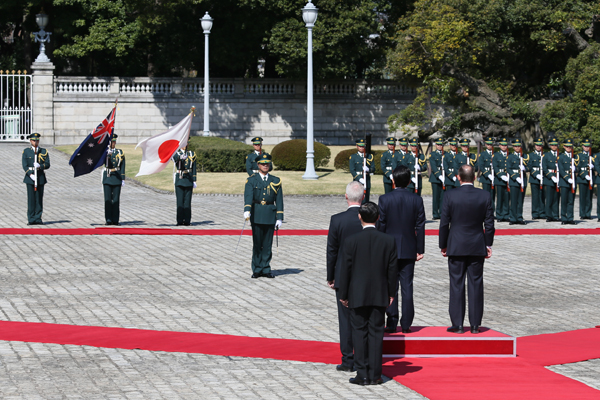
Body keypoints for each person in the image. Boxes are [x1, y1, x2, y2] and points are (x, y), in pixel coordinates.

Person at [338, 202, 397, 386]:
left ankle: (362, 374)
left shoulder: (351, 241)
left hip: (357, 294)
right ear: (378, 218)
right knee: (376, 334)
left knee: (359, 333)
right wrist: (391, 292)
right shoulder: (389, 240)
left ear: (359, 217)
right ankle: (376, 374)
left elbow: (345, 270)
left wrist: (344, 294)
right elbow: (392, 270)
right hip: (380, 294)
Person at [439, 165, 495, 334]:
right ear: (475, 178)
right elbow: (490, 224)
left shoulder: (450, 195)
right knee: (476, 284)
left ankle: (458, 324)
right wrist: (488, 244)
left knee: (456, 284)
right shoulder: (484, 195)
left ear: (458, 177)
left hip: (456, 245)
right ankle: (475, 324)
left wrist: (443, 244)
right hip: (477, 245)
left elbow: (443, 223)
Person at [377, 165, 425, 334]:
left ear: (393, 181)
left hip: (389, 248)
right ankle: (406, 323)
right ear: (409, 181)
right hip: (409, 247)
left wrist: (379, 246)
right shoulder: (416, 199)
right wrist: (420, 249)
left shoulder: (384, 199)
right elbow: (420, 226)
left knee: (390, 286)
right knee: (407, 286)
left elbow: (381, 225)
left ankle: (391, 321)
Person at [326, 181, 364, 373]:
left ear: (346, 197)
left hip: (344, 276)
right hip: (365, 276)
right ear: (363, 197)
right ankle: (362, 358)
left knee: (345, 319)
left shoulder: (337, 220)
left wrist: (331, 276)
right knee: (363, 318)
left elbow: (332, 251)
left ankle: (348, 359)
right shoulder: (370, 219)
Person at [243, 154, 283, 278]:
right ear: (258, 165)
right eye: (263, 164)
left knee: (267, 244)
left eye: (267, 164)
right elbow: (248, 195)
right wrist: (247, 210)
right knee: (257, 243)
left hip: (270, 214)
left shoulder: (275, 180)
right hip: (257, 214)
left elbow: (279, 200)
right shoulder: (252, 180)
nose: (265, 165)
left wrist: (280, 216)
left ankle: (266, 268)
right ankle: (256, 268)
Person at [22, 132, 50, 225]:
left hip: (40, 177)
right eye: (34, 140)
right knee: (31, 199)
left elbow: (47, 164)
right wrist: (30, 175)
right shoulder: (26, 151)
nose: (35, 142)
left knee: (39, 199)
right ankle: (31, 218)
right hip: (30, 178)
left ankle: (38, 218)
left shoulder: (43, 151)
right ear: (30, 141)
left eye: (37, 140)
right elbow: (24, 165)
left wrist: (40, 166)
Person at [102, 134, 126, 226]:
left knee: (116, 200)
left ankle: (115, 219)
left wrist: (123, 178)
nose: (113, 144)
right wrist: (107, 154)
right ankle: (108, 219)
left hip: (117, 177)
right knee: (107, 199)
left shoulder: (120, 152)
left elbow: (123, 165)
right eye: (112, 142)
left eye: (114, 142)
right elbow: (104, 163)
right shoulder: (104, 153)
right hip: (107, 177)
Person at [172, 144, 197, 226]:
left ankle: (187, 221)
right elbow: (175, 158)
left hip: (188, 179)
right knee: (180, 202)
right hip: (180, 179)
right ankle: (179, 220)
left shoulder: (191, 154)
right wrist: (181, 157)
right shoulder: (177, 153)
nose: (185, 146)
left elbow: (194, 167)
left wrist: (194, 180)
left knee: (187, 202)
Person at [507, 138, 527, 225]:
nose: (517, 148)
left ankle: (519, 217)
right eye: (515, 146)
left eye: (519, 146)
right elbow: (508, 168)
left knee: (520, 200)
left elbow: (530, 165)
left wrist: (525, 168)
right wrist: (515, 177)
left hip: (522, 180)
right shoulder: (510, 157)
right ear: (513, 147)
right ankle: (513, 218)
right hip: (514, 181)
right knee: (514, 200)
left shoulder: (525, 156)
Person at [526, 138, 546, 220]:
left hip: (543, 177)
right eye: (537, 145)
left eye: (540, 145)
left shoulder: (544, 155)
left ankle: (542, 213)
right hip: (534, 178)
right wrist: (536, 174)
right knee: (535, 196)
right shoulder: (531, 155)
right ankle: (535, 213)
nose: (538, 147)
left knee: (542, 196)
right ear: (535, 146)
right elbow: (529, 166)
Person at [557, 139, 577, 225]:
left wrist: (575, 169)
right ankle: (564, 218)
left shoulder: (575, 157)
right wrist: (567, 178)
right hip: (564, 182)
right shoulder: (560, 157)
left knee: (571, 201)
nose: (569, 148)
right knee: (564, 201)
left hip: (573, 181)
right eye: (567, 146)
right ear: (564, 147)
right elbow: (561, 169)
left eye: (570, 146)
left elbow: (579, 166)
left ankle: (570, 217)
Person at [348, 138, 374, 203]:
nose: (361, 148)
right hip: (357, 180)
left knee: (366, 200)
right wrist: (359, 178)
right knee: (357, 199)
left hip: (366, 179)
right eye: (360, 146)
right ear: (357, 146)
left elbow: (373, 168)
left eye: (363, 146)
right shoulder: (353, 157)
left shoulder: (369, 156)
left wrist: (368, 170)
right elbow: (352, 170)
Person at [542, 138, 561, 222]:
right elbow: (544, 168)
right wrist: (551, 176)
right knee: (549, 198)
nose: (554, 146)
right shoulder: (546, 155)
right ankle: (549, 215)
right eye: (552, 145)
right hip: (549, 179)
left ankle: (555, 215)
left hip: (559, 177)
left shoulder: (560, 155)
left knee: (556, 198)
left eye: (555, 145)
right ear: (550, 146)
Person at [492, 138, 510, 222]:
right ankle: (499, 215)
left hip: (509, 178)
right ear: (499, 146)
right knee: (499, 198)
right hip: (500, 179)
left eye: (505, 145)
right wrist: (500, 175)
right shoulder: (496, 155)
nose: (504, 146)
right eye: (502, 145)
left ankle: (506, 214)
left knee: (507, 198)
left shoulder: (510, 155)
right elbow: (495, 167)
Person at [576, 139, 594, 220]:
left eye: (588, 146)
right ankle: (582, 214)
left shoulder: (592, 156)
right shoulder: (579, 156)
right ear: (582, 146)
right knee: (583, 197)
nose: (587, 148)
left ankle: (588, 213)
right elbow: (577, 168)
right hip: (582, 179)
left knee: (589, 197)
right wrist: (584, 175)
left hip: (591, 178)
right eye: (585, 146)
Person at [477, 138, 496, 217]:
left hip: (494, 177)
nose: (489, 146)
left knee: (492, 196)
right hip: (486, 177)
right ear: (485, 145)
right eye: (488, 144)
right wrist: (488, 174)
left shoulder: (495, 154)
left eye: (491, 144)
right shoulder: (482, 155)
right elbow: (481, 166)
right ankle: (485, 212)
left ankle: (492, 212)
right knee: (486, 196)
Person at [428, 138, 445, 219]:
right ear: (435, 145)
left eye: (441, 144)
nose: (439, 146)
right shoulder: (432, 154)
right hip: (435, 178)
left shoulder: (445, 154)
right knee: (436, 196)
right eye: (438, 144)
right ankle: (435, 214)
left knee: (443, 196)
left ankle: (441, 213)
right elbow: (433, 167)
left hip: (444, 177)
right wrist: (439, 175)